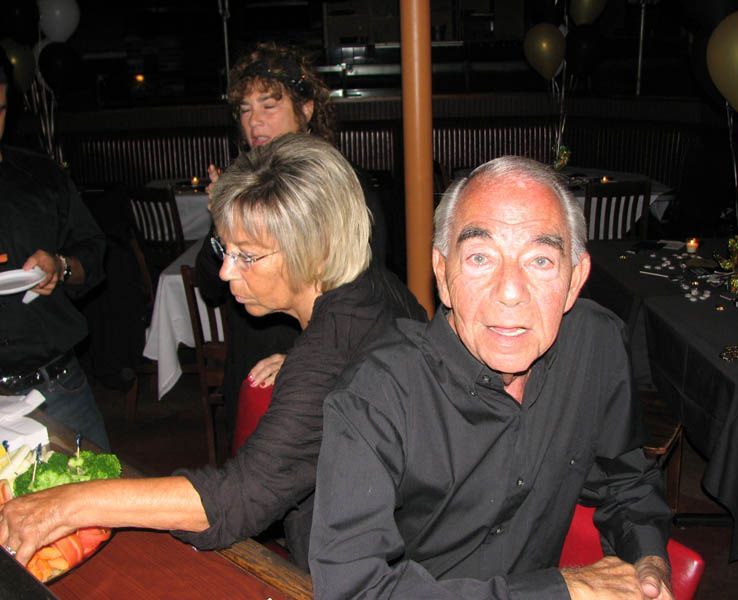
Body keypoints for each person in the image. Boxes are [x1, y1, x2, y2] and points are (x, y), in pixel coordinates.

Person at [0, 133, 426, 572]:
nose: (225, 272)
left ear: (316, 254)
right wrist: (300, 356)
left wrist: (65, 505)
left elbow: (234, 501)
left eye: (248, 256)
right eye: (227, 250)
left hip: (383, 567)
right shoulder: (372, 285)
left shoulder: (330, 350)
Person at [309, 156, 674, 599]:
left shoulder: (595, 345)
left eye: (540, 261)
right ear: (442, 275)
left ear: (575, 280)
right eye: (480, 258)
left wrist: (649, 560)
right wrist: (560, 592)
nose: (509, 291)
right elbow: (353, 590)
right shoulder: (376, 397)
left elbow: (627, 480)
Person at [195, 41, 388, 432]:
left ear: (306, 110)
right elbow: (210, 285)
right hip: (250, 364)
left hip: (314, 375)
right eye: (245, 110)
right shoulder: (246, 186)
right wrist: (221, 222)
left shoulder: (337, 187)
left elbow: (368, 292)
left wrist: (305, 357)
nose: (255, 121)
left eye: (269, 106)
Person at [0, 65, 110, 450]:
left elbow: (94, 254)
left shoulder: (40, 176)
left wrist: (60, 267)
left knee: (103, 501)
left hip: (56, 386)